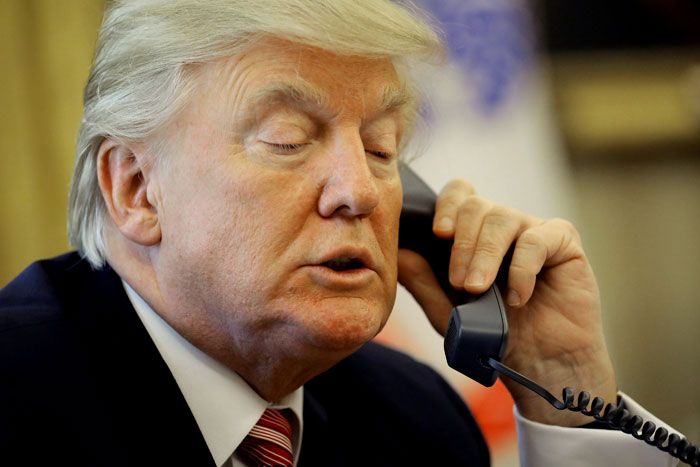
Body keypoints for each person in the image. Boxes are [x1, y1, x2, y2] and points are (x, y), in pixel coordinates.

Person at [0, 1, 684, 466]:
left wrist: (563, 390)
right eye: (289, 139)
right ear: (136, 189)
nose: (360, 190)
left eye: (383, 149)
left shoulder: (416, 423)